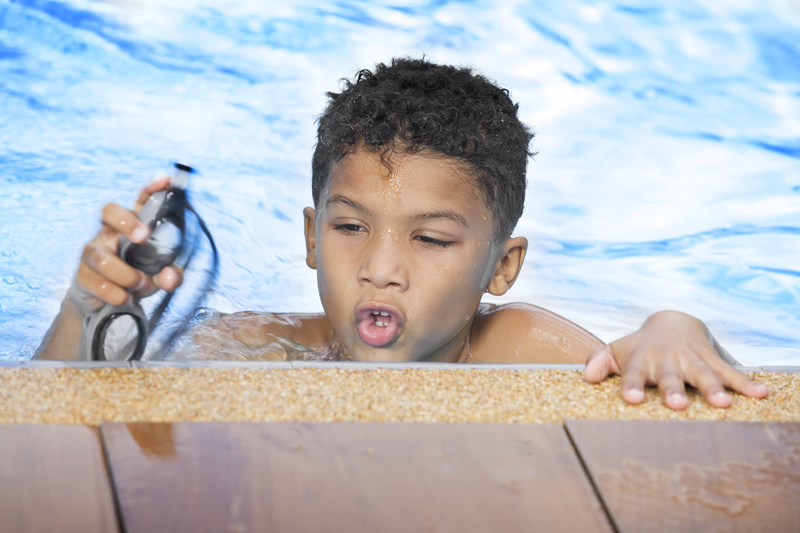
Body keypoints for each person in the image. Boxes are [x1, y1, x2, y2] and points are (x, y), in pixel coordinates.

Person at [37, 57, 768, 411]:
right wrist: (87, 310)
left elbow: (631, 367)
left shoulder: (517, 347)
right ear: (312, 237)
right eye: (351, 226)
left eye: (431, 239)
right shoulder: (259, 344)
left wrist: (676, 325)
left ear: (501, 265)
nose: (381, 268)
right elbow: (56, 404)